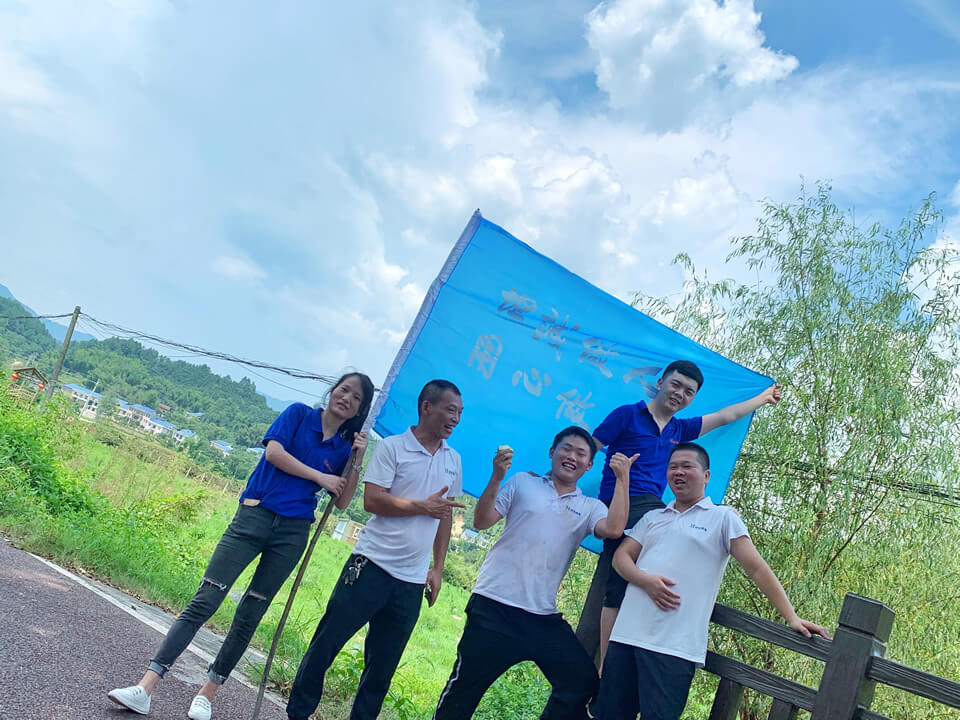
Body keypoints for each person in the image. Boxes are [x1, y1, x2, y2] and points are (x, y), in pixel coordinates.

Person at [108, 372, 374, 720]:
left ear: (360, 410)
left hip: (292, 533)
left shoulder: (341, 449)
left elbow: (342, 501)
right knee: (206, 599)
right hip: (254, 516)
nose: (347, 398)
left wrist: (356, 459)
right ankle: (145, 686)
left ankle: (207, 693)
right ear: (333, 390)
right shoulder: (297, 414)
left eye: (356, 398)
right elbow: (274, 453)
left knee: (250, 614)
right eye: (344, 389)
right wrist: (318, 476)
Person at [593, 442, 830, 720]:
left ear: (706, 476)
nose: (678, 472)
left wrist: (791, 616)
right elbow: (621, 558)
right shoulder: (653, 517)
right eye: (673, 467)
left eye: (687, 466)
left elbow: (756, 568)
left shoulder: (722, 518)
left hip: (674, 647)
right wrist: (645, 581)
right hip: (626, 636)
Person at [285, 379, 466, 720]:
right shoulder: (393, 447)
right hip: (370, 566)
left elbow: (444, 516)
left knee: (381, 672)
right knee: (326, 645)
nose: (455, 419)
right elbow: (372, 500)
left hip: (411, 583)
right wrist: (420, 506)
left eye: (459, 413)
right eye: (450, 410)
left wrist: (437, 568)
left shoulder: (453, 460)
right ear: (426, 407)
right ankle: (297, 713)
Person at [583, 359, 783, 667]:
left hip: (652, 507)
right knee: (617, 586)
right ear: (660, 382)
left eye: (689, 391)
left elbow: (725, 416)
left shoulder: (680, 428)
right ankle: (606, 669)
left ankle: (637, 654)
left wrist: (764, 398)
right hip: (621, 503)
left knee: (648, 571)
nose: (680, 393)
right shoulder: (628, 415)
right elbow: (587, 447)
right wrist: (559, 482)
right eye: (675, 384)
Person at [433, 426, 635, 720]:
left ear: (589, 465)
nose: (572, 456)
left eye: (581, 453)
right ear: (552, 452)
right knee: (463, 691)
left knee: (581, 681)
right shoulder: (522, 482)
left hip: (542, 616)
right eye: (566, 448)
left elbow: (614, 529)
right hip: (494, 606)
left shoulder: (589, 506)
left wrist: (623, 478)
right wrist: (497, 477)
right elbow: (482, 521)